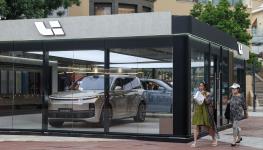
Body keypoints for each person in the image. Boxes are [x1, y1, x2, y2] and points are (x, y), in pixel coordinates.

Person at [191, 82, 218, 148]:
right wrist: (194, 98)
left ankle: (214, 139)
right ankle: (195, 142)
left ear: (205, 87)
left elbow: (208, 102)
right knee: (196, 127)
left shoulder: (208, 94)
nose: (200, 87)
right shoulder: (197, 93)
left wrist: (203, 96)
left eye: (202, 86)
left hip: (205, 112)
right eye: (199, 86)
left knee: (208, 127)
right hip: (198, 112)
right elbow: (194, 103)